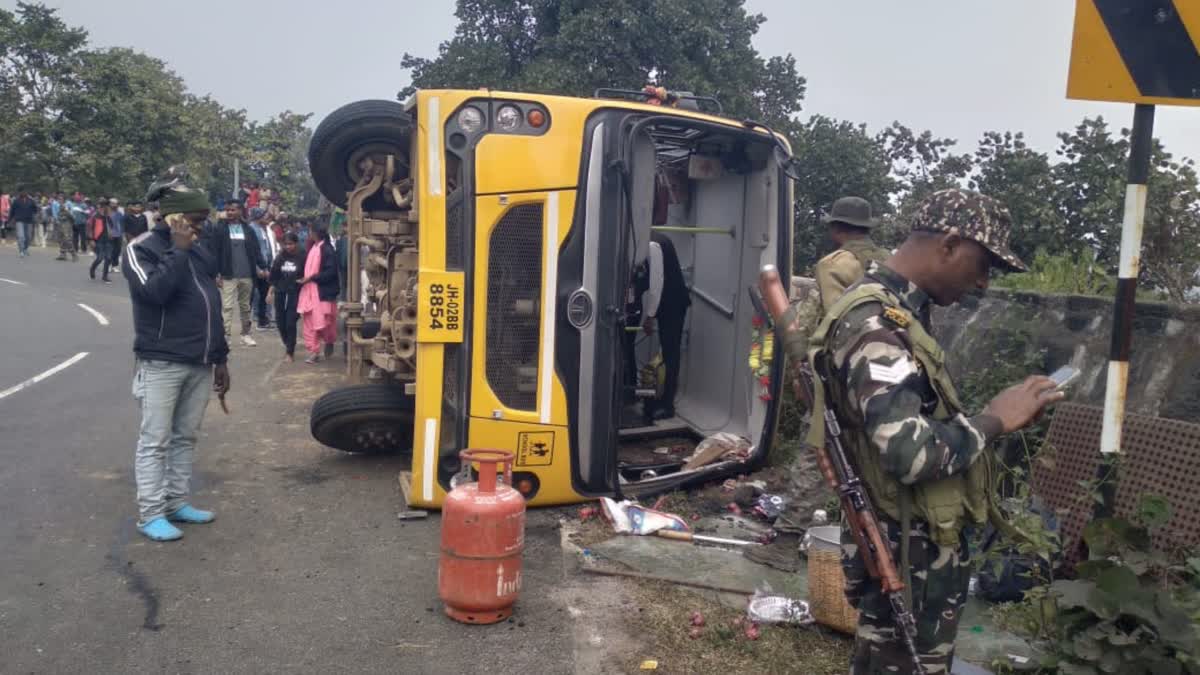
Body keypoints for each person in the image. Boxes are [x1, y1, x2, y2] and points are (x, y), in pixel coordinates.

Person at [805, 189, 1063, 673]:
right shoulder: (876, 322)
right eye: (981, 263)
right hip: (906, 553)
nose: (984, 282)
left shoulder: (902, 313)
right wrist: (995, 418)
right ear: (948, 244)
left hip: (918, 548)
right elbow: (910, 454)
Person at [121, 174, 229, 542]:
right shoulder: (141, 249)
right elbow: (154, 293)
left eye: (203, 220)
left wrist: (221, 357)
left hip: (199, 361)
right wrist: (178, 250)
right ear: (174, 218)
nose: (202, 227)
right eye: (196, 220)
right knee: (155, 440)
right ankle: (150, 513)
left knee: (186, 436)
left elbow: (211, 304)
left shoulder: (199, 249)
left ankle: (176, 502)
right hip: (162, 361)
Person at [625, 232, 690, 424]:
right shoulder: (643, 240)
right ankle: (636, 393)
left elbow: (656, 283)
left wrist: (649, 317)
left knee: (670, 352)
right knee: (668, 352)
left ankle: (667, 405)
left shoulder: (652, 244)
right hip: (662, 299)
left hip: (673, 302)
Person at [815, 196, 891, 313]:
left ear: (836, 228)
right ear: (867, 227)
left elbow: (834, 316)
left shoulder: (831, 264)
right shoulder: (890, 258)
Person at [211, 199, 267, 347]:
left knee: (245, 307)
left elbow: (256, 251)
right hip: (227, 275)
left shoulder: (248, 230)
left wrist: (263, 267)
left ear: (240, 211)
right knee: (227, 307)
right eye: (227, 210)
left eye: (233, 210)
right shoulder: (219, 229)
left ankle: (246, 334)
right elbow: (214, 252)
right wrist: (216, 273)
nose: (229, 212)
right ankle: (226, 336)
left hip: (247, 275)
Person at [296, 223, 339, 364]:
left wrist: (312, 278)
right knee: (309, 322)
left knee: (326, 323)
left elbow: (331, 273)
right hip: (309, 291)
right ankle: (313, 352)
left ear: (315, 233)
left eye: (310, 231)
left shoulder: (327, 249)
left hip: (322, 292)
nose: (309, 234)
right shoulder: (313, 247)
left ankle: (329, 341)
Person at [268, 232, 303, 362]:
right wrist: (269, 292)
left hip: (295, 292)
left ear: (296, 243)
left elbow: (307, 273)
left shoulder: (302, 256)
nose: (288, 247)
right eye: (286, 244)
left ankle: (290, 352)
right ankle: (287, 342)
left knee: (290, 322)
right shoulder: (280, 257)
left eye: (291, 244)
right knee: (280, 321)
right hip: (280, 292)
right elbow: (274, 276)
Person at [247, 207, 274, 331]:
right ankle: (253, 321)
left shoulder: (262, 229)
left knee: (264, 293)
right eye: (264, 215)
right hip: (257, 267)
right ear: (258, 216)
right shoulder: (252, 229)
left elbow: (266, 249)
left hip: (264, 266)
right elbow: (253, 251)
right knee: (253, 294)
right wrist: (258, 268)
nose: (266, 217)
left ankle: (262, 320)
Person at [9, 191, 38, 258]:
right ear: (20, 193)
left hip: (29, 221)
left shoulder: (31, 201)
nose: (24, 193)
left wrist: (35, 215)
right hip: (19, 221)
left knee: (28, 237)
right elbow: (12, 211)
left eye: (25, 192)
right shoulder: (16, 201)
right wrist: (9, 220)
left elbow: (35, 210)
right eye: (22, 192)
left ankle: (25, 248)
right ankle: (21, 251)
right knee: (21, 236)